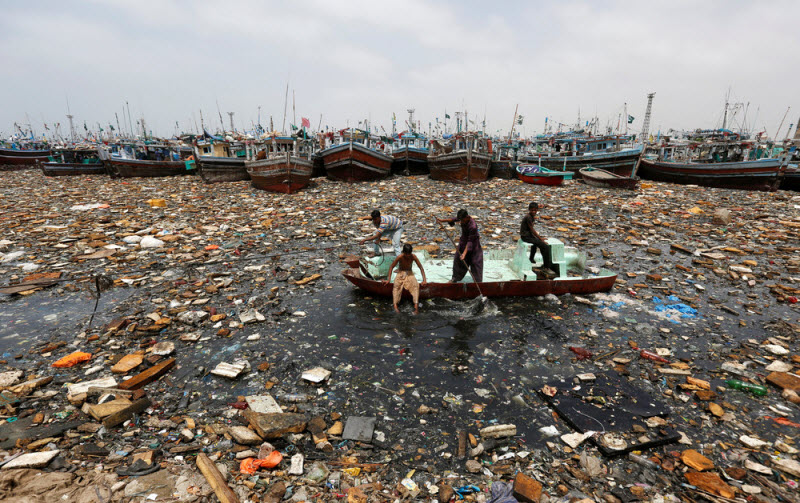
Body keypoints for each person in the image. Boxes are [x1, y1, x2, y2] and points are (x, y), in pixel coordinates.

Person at [436, 209, 483, 283]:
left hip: (473, 246)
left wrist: (464, 254)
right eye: (460, 220)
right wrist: (442, 220)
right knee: (458, 260)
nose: (461, 222)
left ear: (467, 217)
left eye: (462, 220)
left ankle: (478, 283)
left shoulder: (472, 226)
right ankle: (455, 278)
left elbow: (470, 241)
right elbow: (453, 219)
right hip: (463, 243)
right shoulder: (462, 218)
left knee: (475, 264)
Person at [384, 244, 427, 314]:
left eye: (409, 254)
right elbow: (391, 267)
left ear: (411, 253)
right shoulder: (400, 257)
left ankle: (416, 308)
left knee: (415, 286)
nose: (407, 256)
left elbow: (421, 267)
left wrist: (424, 280)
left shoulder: (413, 257)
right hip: (401, 272)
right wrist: (388, 280)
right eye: (406, 254)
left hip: (409, 272)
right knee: (396, 286)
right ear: (403, 252)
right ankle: (395, 307)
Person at [520, 202, 557, 278]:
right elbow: (532, 230)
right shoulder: (528, 217)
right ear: (529, 210)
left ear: (537, 210)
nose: (533, 212)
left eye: (535, 210)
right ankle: (546, 267)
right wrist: (540, 239)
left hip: (528, 236)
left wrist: (539, 238)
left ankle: (531, 259)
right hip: (526, 237)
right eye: (532, 210)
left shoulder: (531, 216)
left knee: (537, 243)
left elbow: (531, 231)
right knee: (544, 246)